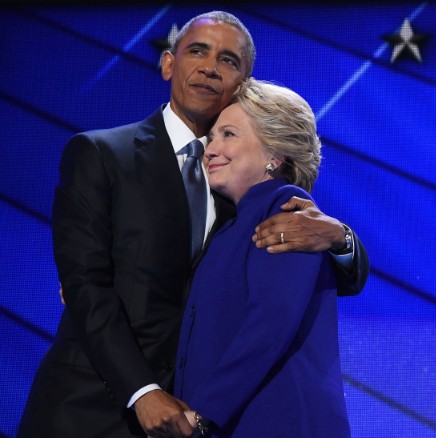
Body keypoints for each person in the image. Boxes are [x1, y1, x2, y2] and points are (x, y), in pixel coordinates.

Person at [18, 11, 367, 438]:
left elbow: (291, 287)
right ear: (168, 63)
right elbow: (85, 285)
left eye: (228, 60)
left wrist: (341, 238)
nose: (209, 67)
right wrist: (143, 391)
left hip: (196, 416)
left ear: (244, 83)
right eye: (197, 51)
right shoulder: (101, 155)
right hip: (92, 407)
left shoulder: (249, 187)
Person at [176, 78, 349, 437]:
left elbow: (272, 319)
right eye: (213, 136)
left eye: (229, 134)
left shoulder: (285, 207)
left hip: (275, 419)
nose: (210, 148)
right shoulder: (234, 223)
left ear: (274, 155)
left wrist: (204, 413)